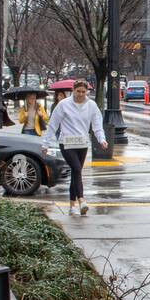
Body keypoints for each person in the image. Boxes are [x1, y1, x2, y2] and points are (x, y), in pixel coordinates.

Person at [43, 79, 106, 215]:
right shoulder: (63, 105)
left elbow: (97, 125)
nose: (81, 94)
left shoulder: (91, 105)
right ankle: (82, 200)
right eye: (78, 91)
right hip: (67, 143)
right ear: (73, 90)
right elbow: (53, 124)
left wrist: (102, 139)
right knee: (77, 169)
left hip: (82, 143)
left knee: (75, 172)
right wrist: (45, 143)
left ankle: (72, 206)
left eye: (84, 92)